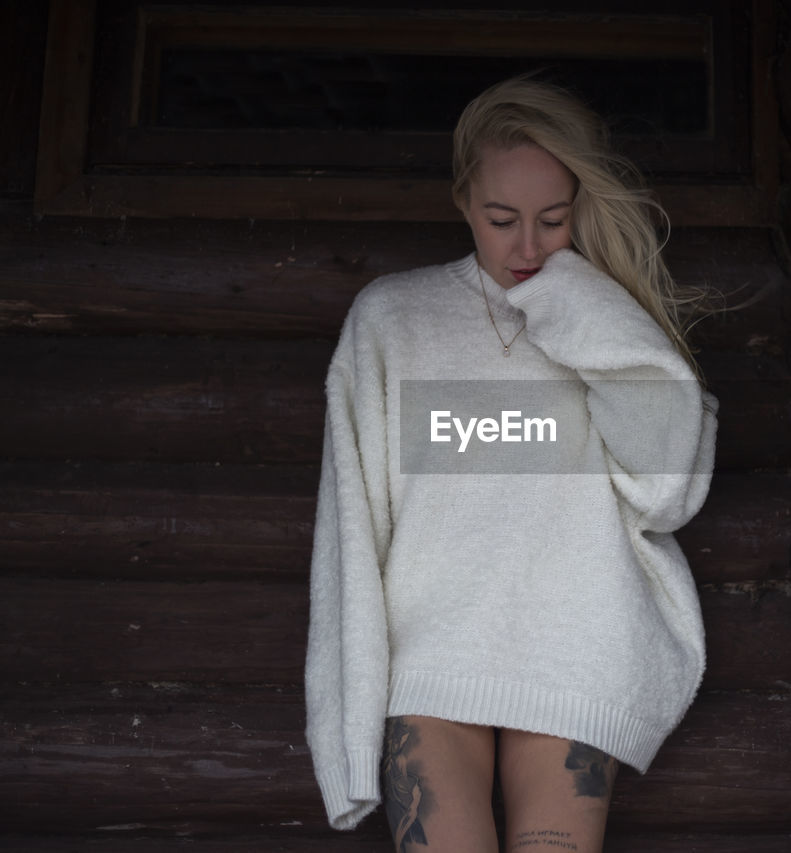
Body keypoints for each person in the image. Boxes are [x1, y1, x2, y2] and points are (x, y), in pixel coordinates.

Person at [304, 75, 718, 852]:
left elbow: (669, 493)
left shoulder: (606, 327)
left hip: (574, 653)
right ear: (463, 199)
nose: (528, 247)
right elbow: (351, 533)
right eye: (502, 219)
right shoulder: (393, 319)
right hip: (431, 661)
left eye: (553, 220)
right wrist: (349, 732)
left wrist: (577, 300)